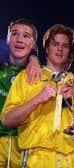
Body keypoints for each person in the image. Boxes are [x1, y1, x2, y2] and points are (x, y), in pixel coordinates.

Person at [1, 23, 74, 168]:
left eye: (65, 46)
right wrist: (37, 99)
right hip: (38, 158)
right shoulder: (27, 76)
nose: (60, 49)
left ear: (70, 52)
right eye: (55, 44)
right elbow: (7, 120)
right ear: (47, 48)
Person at [0, 18, 41, 167]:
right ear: (8, 39)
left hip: (23, 146)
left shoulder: (40, 75)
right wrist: (34, 57)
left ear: (33, 45)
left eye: (26, 36)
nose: (19, 39)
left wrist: (34, 59)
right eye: (15, 34)